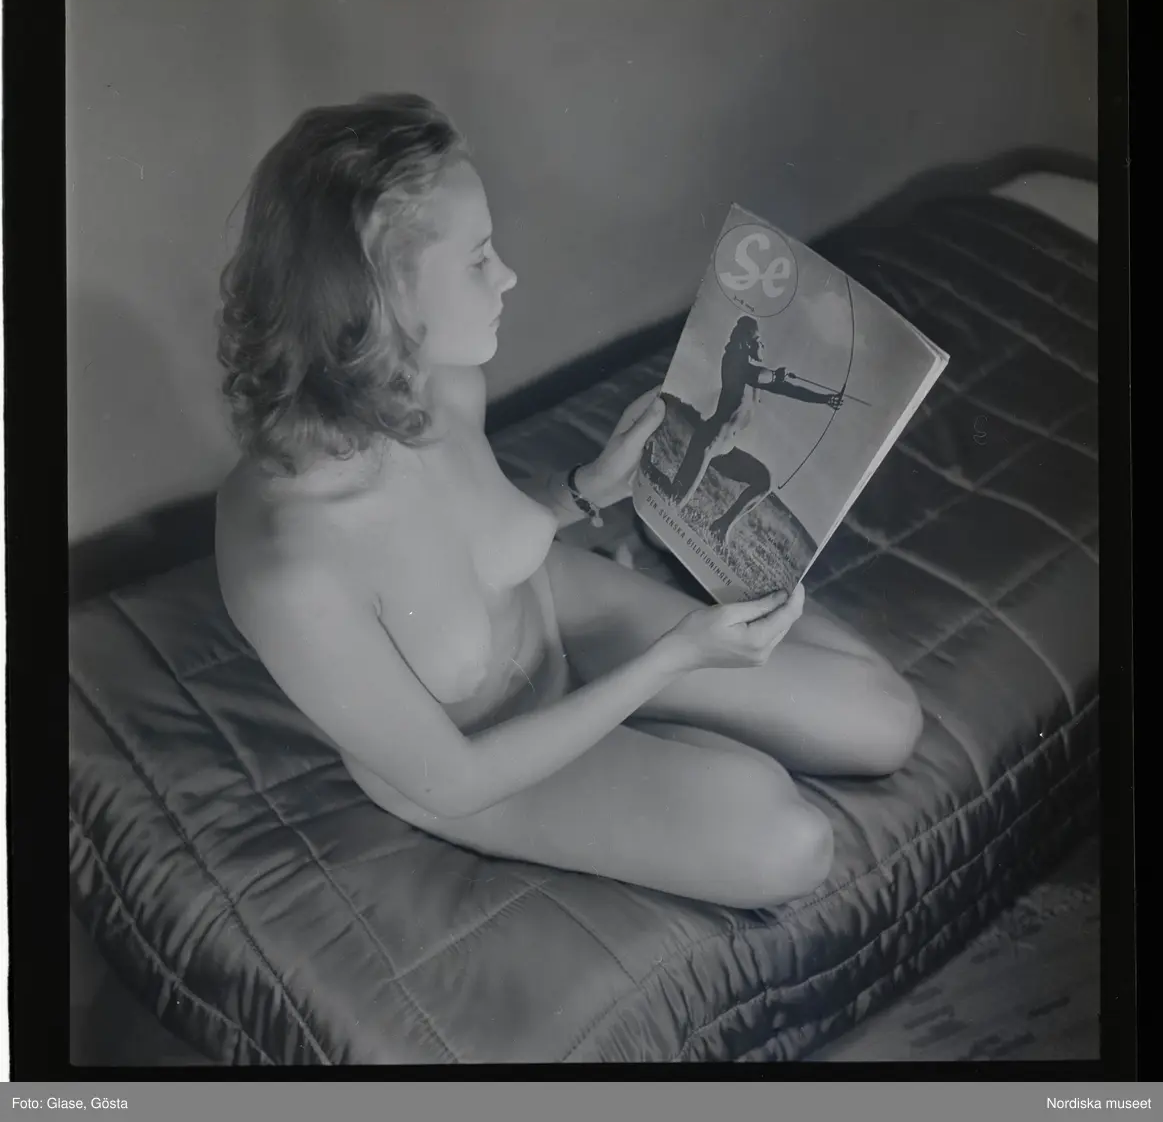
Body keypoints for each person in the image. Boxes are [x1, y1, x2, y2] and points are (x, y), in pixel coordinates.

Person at [214, 94, 922, 910]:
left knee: (886, 722)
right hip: (484, 763)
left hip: (553, 610)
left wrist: (587, 487)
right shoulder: (290, 565)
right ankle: (672, 720)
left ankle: (668, 687)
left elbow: (467, 544)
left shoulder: (439, 385)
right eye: (478, 259)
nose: (506, 276)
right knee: (788, 842)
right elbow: (454, 780)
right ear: (379, 297)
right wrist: (673, 659)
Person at [655, 317, 843, 547]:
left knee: (764, 480)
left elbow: (790, 390)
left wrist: (825, 399)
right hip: (709, 441)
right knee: (675, 501)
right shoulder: (734, 360)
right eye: (759, 340)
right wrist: (776, 375)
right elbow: (755, 375)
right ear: (746, 342)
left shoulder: (756, 376)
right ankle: (653, 469)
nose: (762, 345)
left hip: (726, 449)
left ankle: (721, 526)